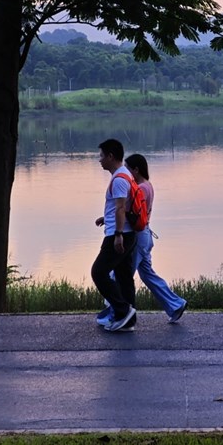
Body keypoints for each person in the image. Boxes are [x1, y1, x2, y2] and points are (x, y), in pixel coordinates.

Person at [96, 153, 187, 326]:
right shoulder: (146, 185)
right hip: (144, 235)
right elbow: (130, 209)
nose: (127, 173)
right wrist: (106, 217)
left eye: (129, 169)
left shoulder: (142, 188)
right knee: (147, 274)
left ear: (136, 170)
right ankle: (176, 305)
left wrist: (117, 229)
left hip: (139, 237)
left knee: (120, 276)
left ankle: (116, 311)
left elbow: (131, 212)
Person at [90, 138, 137, 332]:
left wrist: (117, 234)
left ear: (111, 156)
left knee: (98, 272)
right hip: (128, 233)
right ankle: (128, 319)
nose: (99, 160)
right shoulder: (125, 175)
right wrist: (106, 217)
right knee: (123, 275)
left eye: (101, 156)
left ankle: (122, 309)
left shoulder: (118, 179)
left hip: (119, 235)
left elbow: (120, 208)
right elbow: (122, 206)